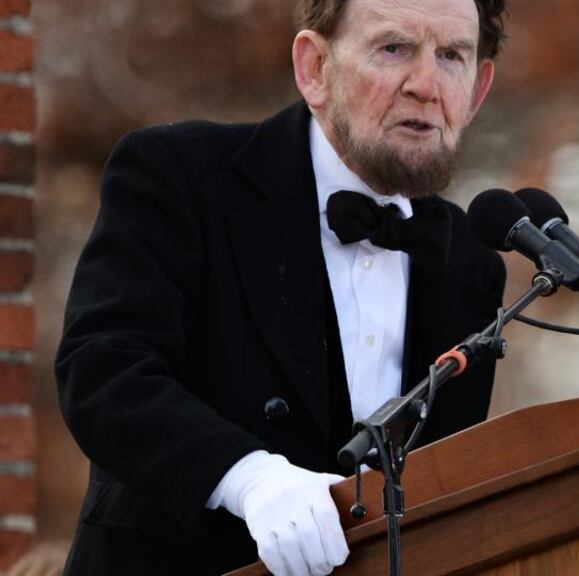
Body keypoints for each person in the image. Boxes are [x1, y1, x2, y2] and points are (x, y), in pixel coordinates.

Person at [55, 0, 508, 574]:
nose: (425, 83)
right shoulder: (180, 175)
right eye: (393, 48)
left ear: (478, 89)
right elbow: (103, 371)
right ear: (313, 68)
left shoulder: (470, 266)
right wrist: (248, 476)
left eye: (451, 56)